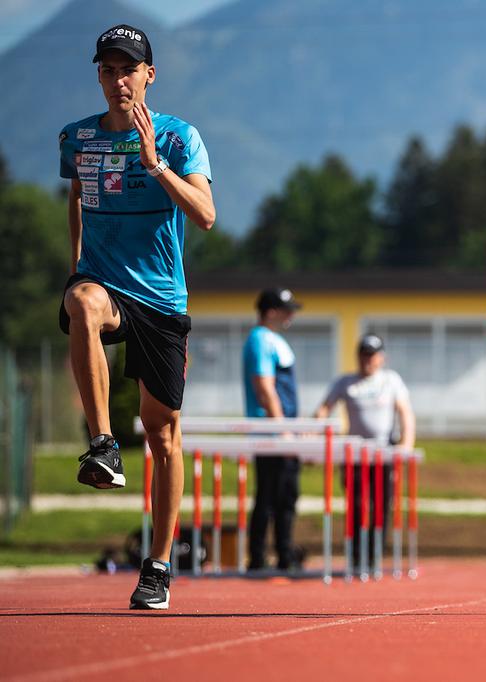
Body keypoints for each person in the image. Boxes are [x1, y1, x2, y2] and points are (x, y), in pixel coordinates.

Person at [58, 24, 215, 609]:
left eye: (129, 69)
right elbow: (75, 193)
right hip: (105, 283)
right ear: (97, 75)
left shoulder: (178, 137)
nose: (118, 80)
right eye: (108, 69)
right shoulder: (77, 138)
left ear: (148, 76)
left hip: (161, 300)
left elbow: (205, 215)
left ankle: (158, 565)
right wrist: (77, 263)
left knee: (163, 432)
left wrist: (155, 166)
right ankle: (100, 443)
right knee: (80, 303)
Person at [315, 334, 415, 575]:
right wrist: (318, 433)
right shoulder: (346, 382)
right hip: (356, 455)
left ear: (382, 357)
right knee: (357, 504)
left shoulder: (391, 381)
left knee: (381, 506)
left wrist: (406, 444)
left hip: (383, 453)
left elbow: (406, 414)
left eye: (372, 355)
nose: (367, 360)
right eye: (363, 354)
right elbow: (323, 409)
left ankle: (375, 556)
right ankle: (356, 556)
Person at [243, 288, 303, 571]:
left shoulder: (273, 340)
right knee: (269, 495)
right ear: (270, 312)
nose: (292, 314)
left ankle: (284, 553)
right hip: (271, 433)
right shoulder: (260, 340)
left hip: (281, 429)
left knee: (286, 495)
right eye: (286, 309)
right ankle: (258, 556)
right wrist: (283, 430)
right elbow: (265, 388)